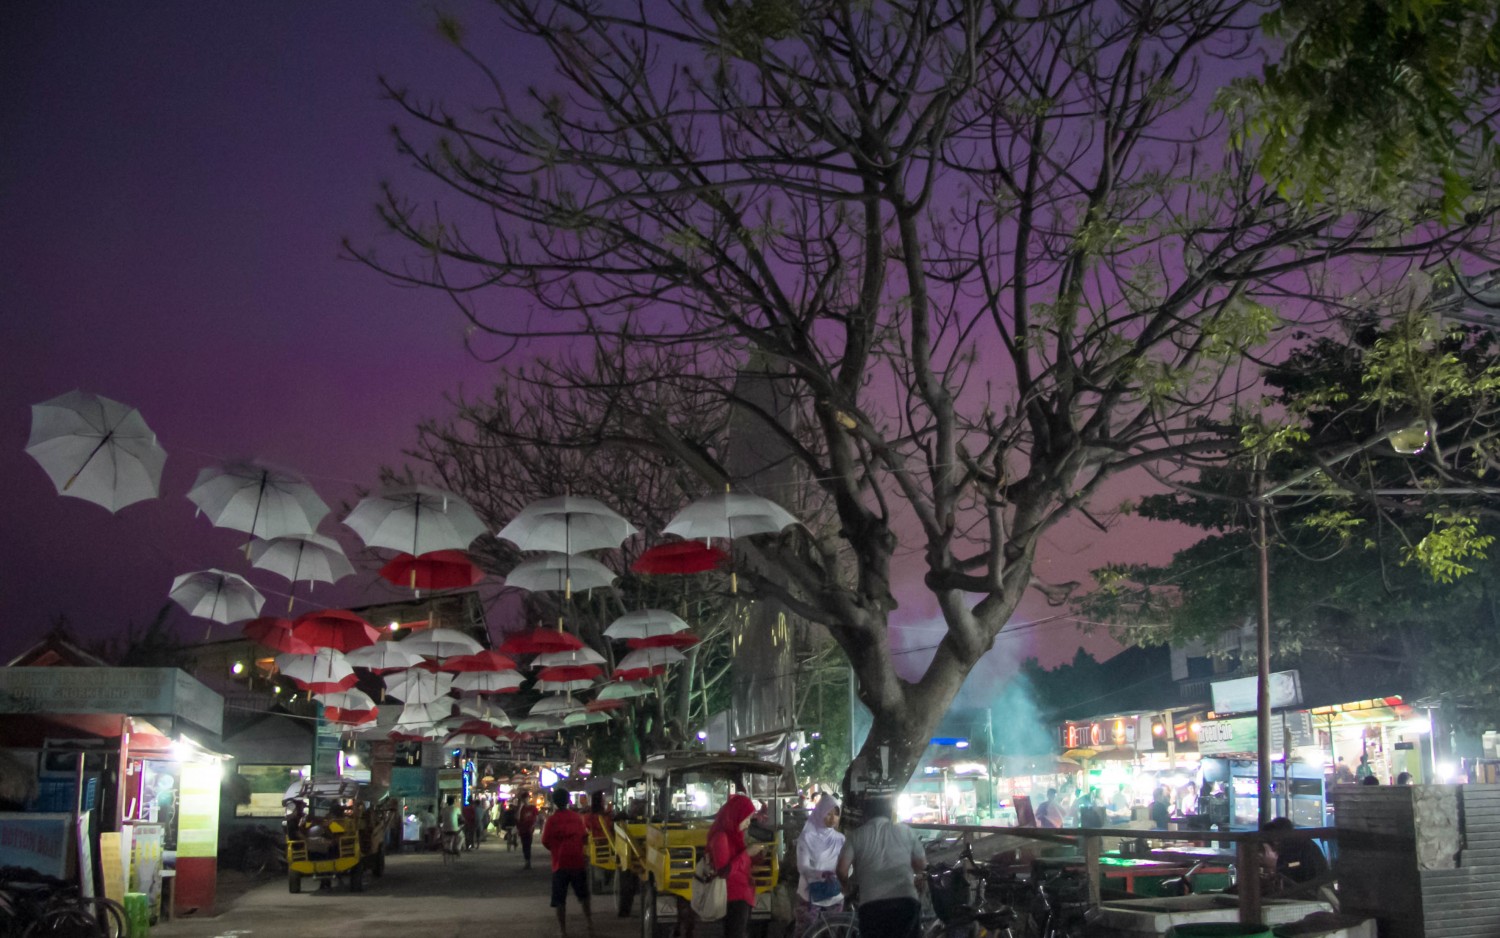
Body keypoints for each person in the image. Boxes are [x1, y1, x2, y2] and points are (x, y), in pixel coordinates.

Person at [836, 794, 926, 938]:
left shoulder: (856, 836)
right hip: (906, 900)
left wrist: (846, 886)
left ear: (865, 816)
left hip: (872, 904)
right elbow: (921, 865)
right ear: (890, 814)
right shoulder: (906, 831)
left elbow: (841, 870)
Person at [707, 793, 768, 938]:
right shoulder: (721, 837)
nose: (748, 823)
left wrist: (757, 856)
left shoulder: (735, 835)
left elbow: (740, 861)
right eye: (746, 818)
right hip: (733, 897)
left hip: (743, 894)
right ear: (736, 815)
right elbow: (724, 871)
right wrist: (747, 853)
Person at [541, 786, 595, 938]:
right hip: (577, 861)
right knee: (584, 896)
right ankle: (590, 924)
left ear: (555, 802)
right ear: (568, 800)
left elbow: (545, 841)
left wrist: (557, 849)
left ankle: (563, 931)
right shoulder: (577, 818)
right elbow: (584, 837)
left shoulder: (551, 821)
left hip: (560, 864)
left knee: (560, 900)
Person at [795, 794, 845, 937]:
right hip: (810, 896)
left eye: (836, 814)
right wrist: (822, 874)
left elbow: (847, 864)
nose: (832, 818)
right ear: (820, 813)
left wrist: (843, 873)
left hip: (834, 896)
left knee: (831, 933)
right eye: (828, 813)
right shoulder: (807, 838)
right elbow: (802, 867)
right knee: (806, 933)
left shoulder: (840, 839)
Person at [1261, 817, 1329, 886]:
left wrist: (1278, 868)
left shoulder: (1295, 847)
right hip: (1317, 886)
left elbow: (1295, 864)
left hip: (1311, 890)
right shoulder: (1301, 843)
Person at [518, 790, 541, 870]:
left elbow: (537, 818)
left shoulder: (533, 808)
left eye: (526, 798)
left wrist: (533, 825)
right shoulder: (521, 809)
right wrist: (520, 807)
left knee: (528, 845)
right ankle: (527, 861)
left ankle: (528, 861)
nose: (525, 800)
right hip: (522, 829)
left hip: (529, 830)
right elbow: (517, 818)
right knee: (524, 846)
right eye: (523, 799)